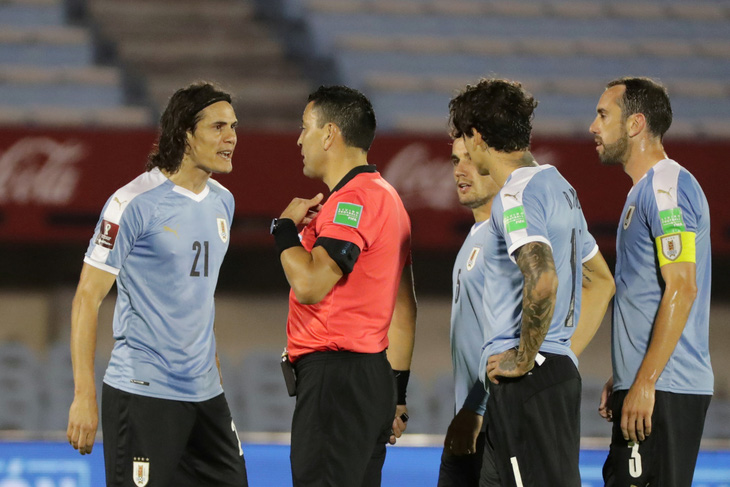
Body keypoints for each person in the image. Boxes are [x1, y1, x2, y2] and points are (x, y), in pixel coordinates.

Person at [66, 82, 249, 486]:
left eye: (234, 126)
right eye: (218, 127)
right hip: (143, 392)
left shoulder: (224, 202)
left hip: (205, 395)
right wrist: (83, 395)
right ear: (185, 132)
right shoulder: (131, 203)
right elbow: (86, 298)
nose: (232, 137)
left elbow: (196, 293)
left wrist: (211, 357)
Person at [448, 78, 615, 487]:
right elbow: (601, 279)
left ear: (478, 137)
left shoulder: (515, 197)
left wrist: (524, 357)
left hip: (528, 380)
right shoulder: (558, 185)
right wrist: (559, 354)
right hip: (551, 375)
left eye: (465, 140)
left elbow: (541, 279)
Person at [270, 85, 416, 487]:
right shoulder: (390, 199)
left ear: (330, 134)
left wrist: (282, 229)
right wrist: (396, 393)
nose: (299, 139)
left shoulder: (353, 200)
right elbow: (403, 309)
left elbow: (311, 284)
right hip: (373, 378)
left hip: (336, 382)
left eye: (305, 128)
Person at [590, 77, 713, 487]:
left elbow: (683, 286)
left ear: (635, 123)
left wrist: (645, 380)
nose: (593, 126)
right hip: (651, 383)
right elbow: (649, 294)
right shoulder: (644, 191)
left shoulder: (665, 188)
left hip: (665, 388)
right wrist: (626, 371)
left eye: (603, 114)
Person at [437, 137, 500, 486]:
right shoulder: (475, 236)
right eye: (454, 160)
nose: (459, 170)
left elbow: (511, 334)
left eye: (470, 160)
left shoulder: (504, 237)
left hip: (490, 421)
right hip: (470, 420)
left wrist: (475, 407)